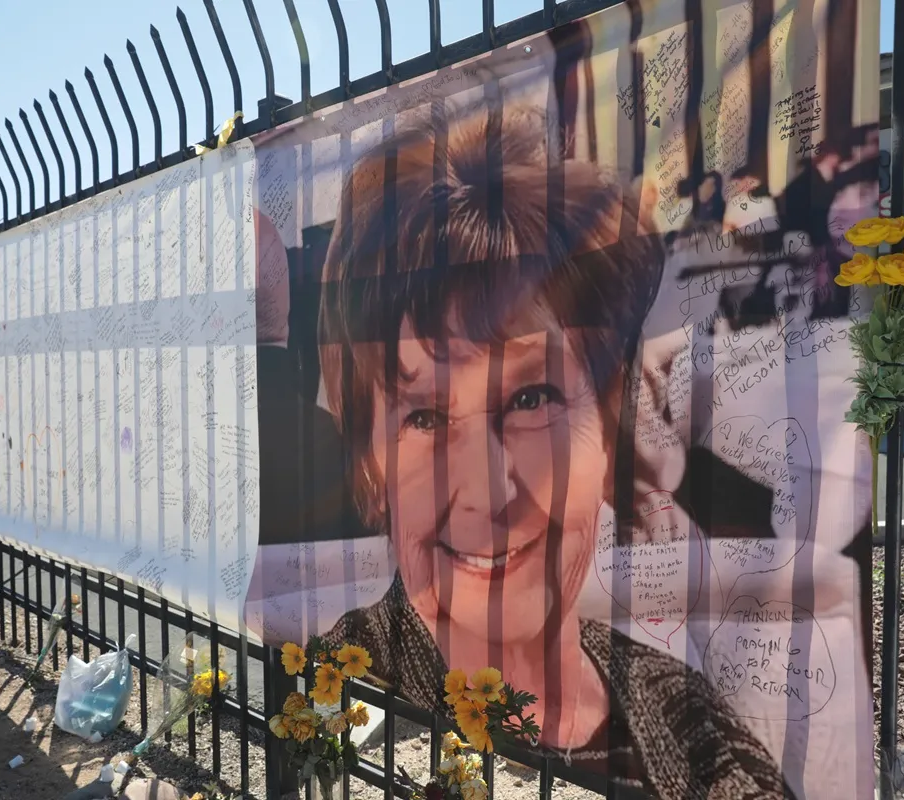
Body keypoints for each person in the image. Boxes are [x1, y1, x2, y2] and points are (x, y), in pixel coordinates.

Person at [314, 101, 794, 799]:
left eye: (531, 400)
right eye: (424, 416)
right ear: (369, 466)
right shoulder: (337, 695)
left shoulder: (685, 713)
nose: (486, 488)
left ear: (606, 431)